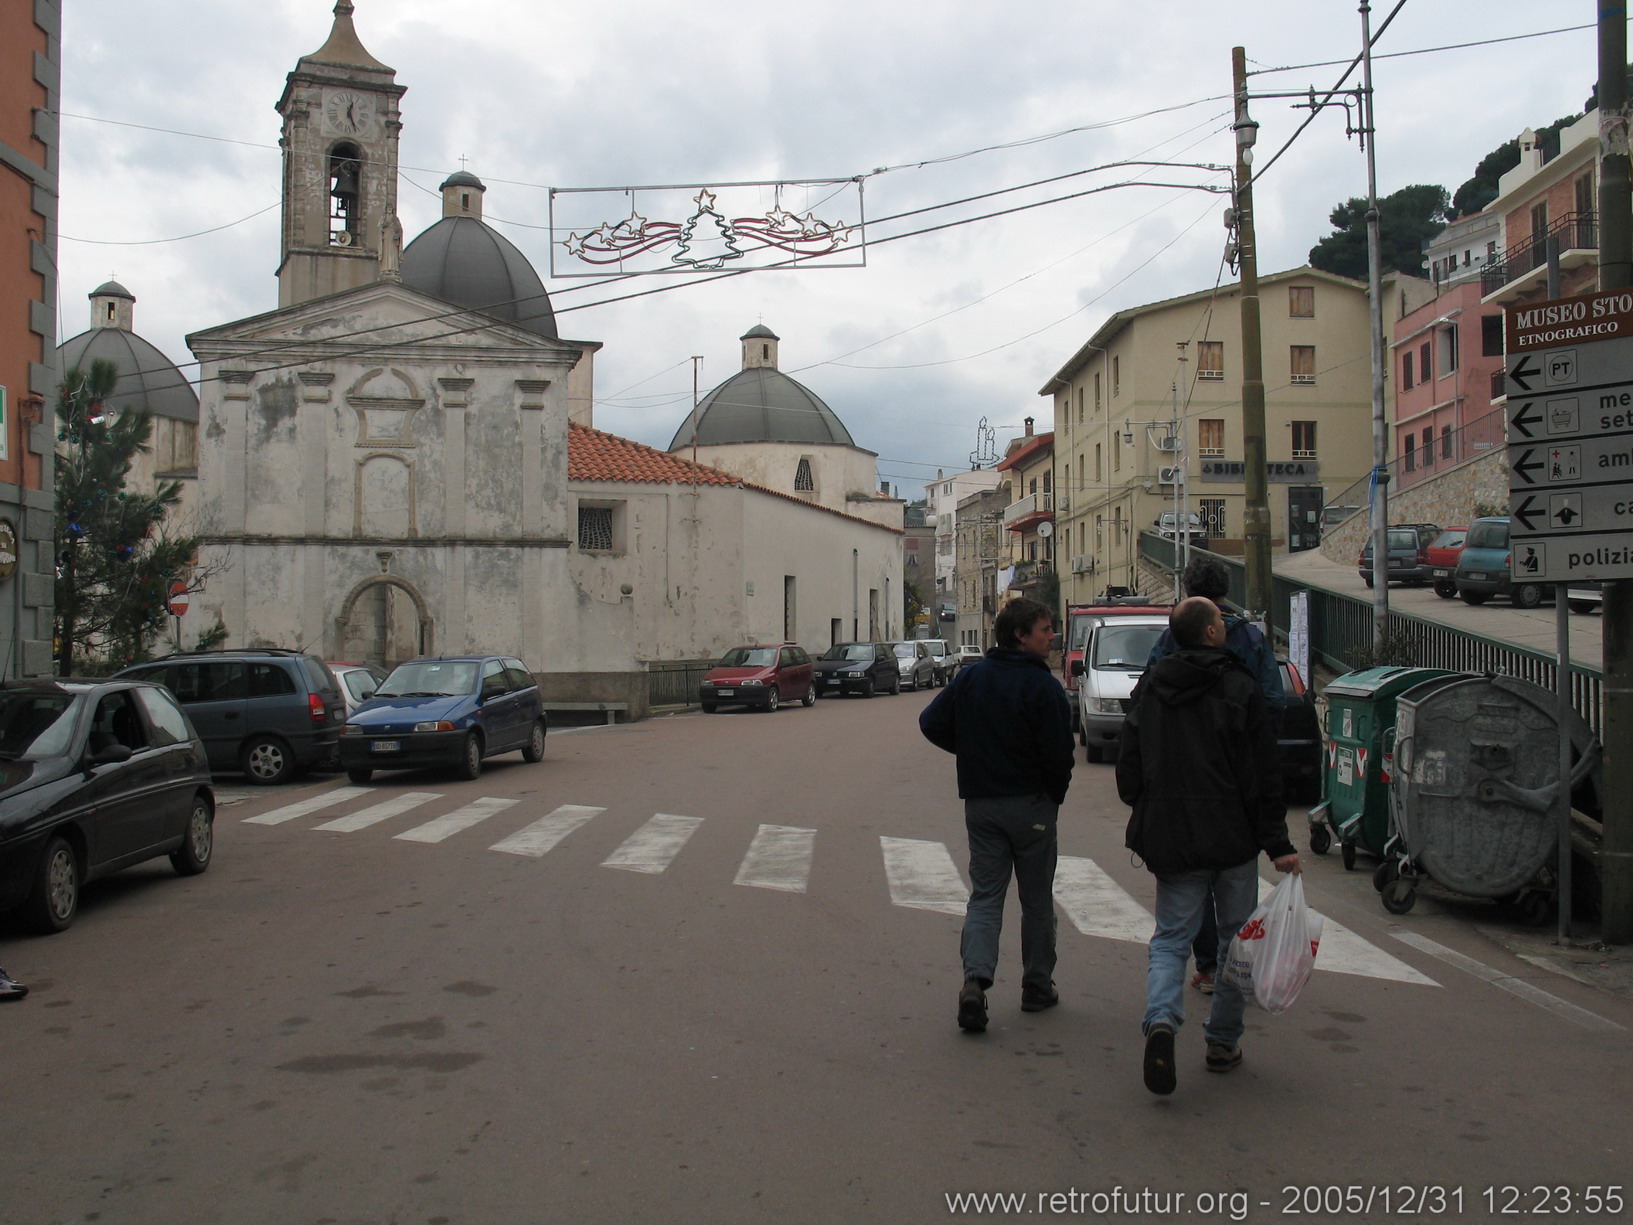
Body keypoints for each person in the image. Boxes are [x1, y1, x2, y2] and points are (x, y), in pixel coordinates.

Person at [1118, 597, 1299, 1095]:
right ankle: (1222, 1041)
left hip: (1172, 833)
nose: (1224, 626)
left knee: (1172, 937)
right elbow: (1263, 774)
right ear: (1212, 634)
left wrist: (1143, 802)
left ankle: (1161, 1019)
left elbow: (1128, 762)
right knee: (1235, 944)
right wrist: (1277, 843)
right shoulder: (1240, 687)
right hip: (1232, 836)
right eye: (1219, 621)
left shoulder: (1152, 687)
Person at [920, 597, 1075, 1033]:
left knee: (985, 896)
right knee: (1037, 899)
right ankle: (1037, 985)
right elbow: (1059, 753)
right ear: (1020, 635)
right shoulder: (1044, 688)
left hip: (983, 804)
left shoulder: (973, 678)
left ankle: (975, 982)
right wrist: (1054, 795)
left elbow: (931, 721)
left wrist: (971, 753)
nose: (1051, 636)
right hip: (1031, 805)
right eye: (1044, 629)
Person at [1146, 554, 1285, 997]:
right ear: (1226, 590)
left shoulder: (1172, 637)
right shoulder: (1249, 639)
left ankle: (1201, 969)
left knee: (1189, 887)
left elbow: (1145, 698)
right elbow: (1274, 700)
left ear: (1187, 590)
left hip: (1180, 785)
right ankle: (1226, 1019)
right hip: (1234, 788)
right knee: (1232, 895)